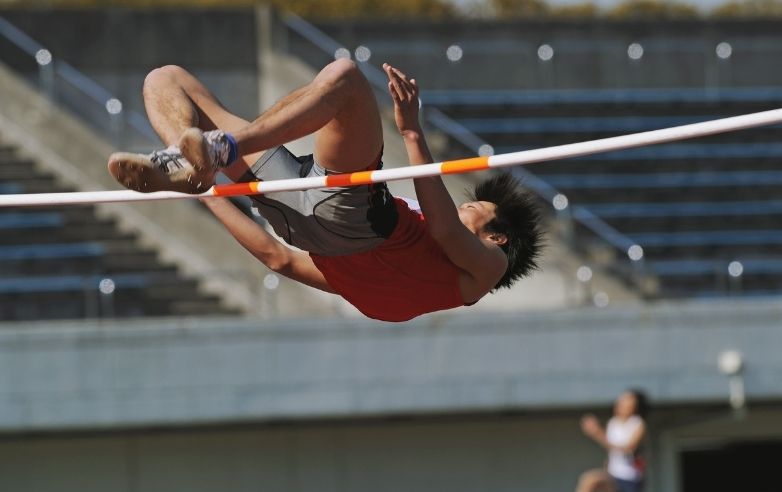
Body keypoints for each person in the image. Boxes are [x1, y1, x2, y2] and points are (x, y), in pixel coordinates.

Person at [106, 60, 543, 321]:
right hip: (298, 220)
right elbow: (278, 259)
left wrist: (411, 132)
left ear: (498, 237)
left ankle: (221, 151)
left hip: (351, 215)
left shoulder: (486, 269)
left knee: (347, 78)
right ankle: (190, 161)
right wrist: (207, 192)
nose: (462, 206)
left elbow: (448, 231)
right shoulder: (386, 294)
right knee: (166, 80)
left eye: (473, 207)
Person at [574, 390, 649, 492]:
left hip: (631, 478)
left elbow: (629, 448)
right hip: (613, 476)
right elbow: (611, 450)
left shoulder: (637, 424)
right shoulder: (613, 423)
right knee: (588, 481)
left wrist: (597, 433)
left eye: (627, 400)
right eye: (622, 399)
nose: (622, 402)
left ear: (635, 405)